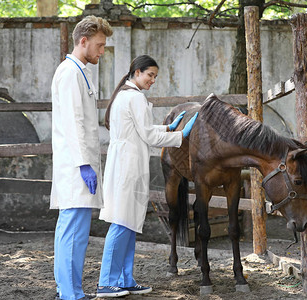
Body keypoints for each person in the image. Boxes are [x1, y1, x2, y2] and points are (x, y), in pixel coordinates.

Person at [96, 55, 198, 298]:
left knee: (129, 224)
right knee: (122, 223)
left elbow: (143, 129)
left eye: (155, 76)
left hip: (126, 163)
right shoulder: (135, 98)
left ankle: (125, 279)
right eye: (150, 75)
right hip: (127, 166)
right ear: (137, 72)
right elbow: (149, 137)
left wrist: (168, 128)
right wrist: (181, 135)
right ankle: (106, 282)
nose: (153, 80)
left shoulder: (125, 96)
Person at [50, 15, 113, 300]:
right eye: (99, 45)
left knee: (77, 232)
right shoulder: (70, 72)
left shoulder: (79, 71)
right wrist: (84, 164)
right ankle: (69, 293)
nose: (102, 51)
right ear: (83, 41)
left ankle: (71, 290)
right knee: (72, 231)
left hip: (80, 166)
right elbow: (74, 122)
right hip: (76, 167)